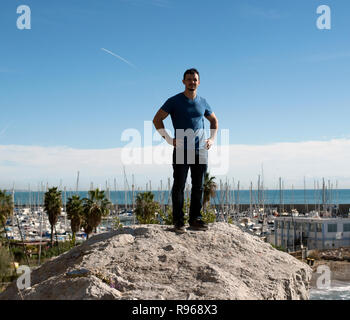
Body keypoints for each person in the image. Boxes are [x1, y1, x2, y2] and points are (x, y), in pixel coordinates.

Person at [153, 68, 218, 233]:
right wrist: (168, 139)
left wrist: (211, 139)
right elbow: (157, 119)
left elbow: (214, 121)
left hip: (200, 150)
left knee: (199, 187)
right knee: (179, 187)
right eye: (189, 79)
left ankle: (195, 220)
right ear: (183, 81)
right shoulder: (174, 101)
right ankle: (178, 222)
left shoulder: (203, 102)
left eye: (195, 79)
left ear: (199, 82)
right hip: (181, 149)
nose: (192, 82)